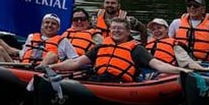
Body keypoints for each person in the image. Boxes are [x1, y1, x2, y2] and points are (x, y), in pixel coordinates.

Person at [50, 18, 188, 82]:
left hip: (120, 84)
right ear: (110, 31)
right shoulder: (100, 47)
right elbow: (75, 63)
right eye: (114, 28)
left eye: (120, 29)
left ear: (128, 32)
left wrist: (183, 71)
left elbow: (158, 65)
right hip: (98, 80)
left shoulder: (137, 49)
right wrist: (51, 67)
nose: (116, 31)